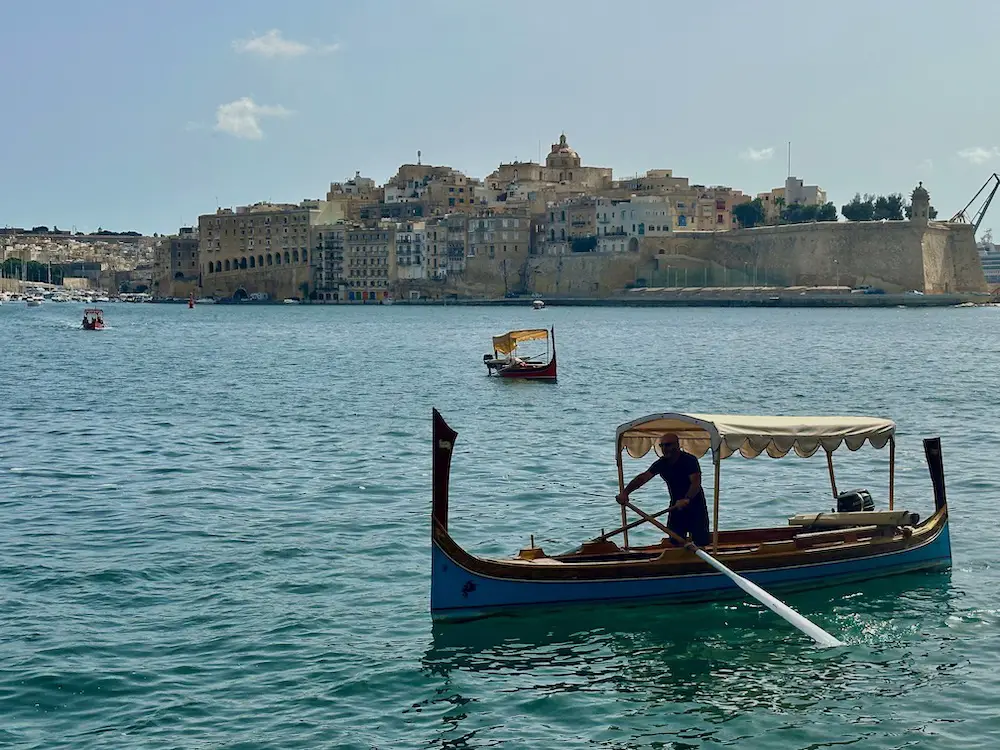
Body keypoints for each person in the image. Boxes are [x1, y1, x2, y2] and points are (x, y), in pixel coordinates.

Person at [616, 432, 710, 547]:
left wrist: (687, 499)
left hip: (695, 505)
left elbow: (695, 483)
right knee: (675, 539)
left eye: (668, 445)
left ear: (677, 445)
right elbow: (643, 478)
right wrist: (625, 493)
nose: (665, 449)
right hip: (675, 505)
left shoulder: (689, 460)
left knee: (700, 540)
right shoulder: (662, 463)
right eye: (662, 446)